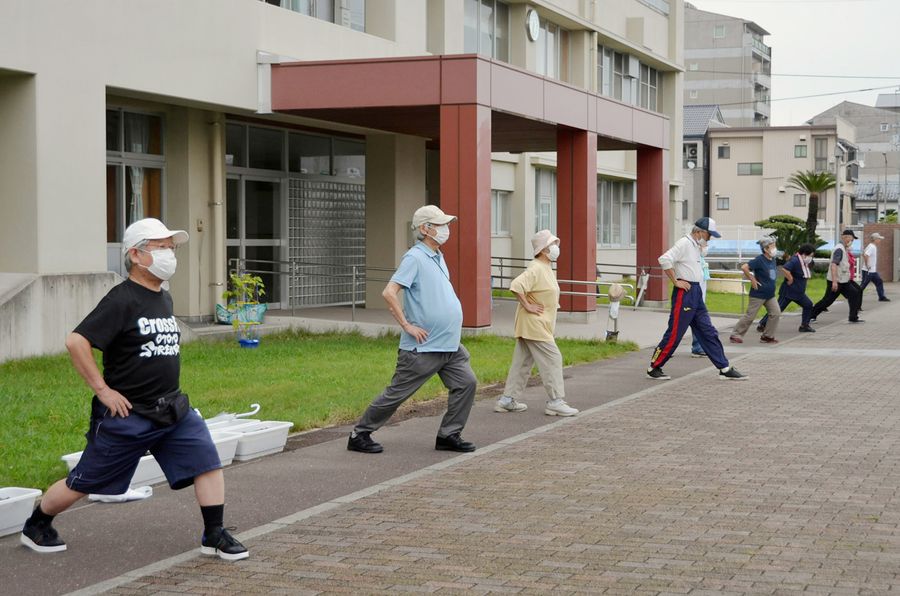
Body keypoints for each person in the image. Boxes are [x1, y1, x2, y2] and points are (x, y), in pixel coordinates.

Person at [20, 218, 248, 560]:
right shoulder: (121, 299)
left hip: (172, 409)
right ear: (137, 255)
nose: (170, 254)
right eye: (161, 247)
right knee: (84, 482)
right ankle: (37, 523)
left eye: (171, 247)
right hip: (127, 415)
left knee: (206, 461)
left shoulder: (163, 297)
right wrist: (103, 390)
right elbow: (76, 341)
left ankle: (213, 532)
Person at [347, 205, 477, 454]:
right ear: (425, 229)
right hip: (423, 346)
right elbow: (389, 292)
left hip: (449, 344)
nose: (446, 229)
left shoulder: (437, 256)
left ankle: (449, 435)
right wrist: (407, 325)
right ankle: (359, 434)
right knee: (397, 394)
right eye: (441, 225)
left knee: (467, 383)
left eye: (446, 225)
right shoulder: (415, 257)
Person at [646, 217, 746, 381]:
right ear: (699, 232)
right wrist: (675, 281)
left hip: (696, 293)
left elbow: (699, 258)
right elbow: (664, 259)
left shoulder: (695, 245)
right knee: (675, 333)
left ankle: (724, 367)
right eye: (709, 235)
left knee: (709, 332)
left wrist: (703, 245)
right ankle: (654, 366)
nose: (710, 239)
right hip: (684, 294)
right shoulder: (684, 243)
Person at [494, 230, 579, 417]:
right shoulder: (535, 268)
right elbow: (516, 286)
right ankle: (556, 401)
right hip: (534, 324)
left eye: (555, 244)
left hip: (533, 324)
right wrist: (528, 305)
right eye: (551, 245)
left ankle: (507, 400)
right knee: (553, 359)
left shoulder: (545, 267)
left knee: (522, 363)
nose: (556, 248)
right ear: (542, 250)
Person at [729, 237, 781, 344]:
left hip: (770, 295)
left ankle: (767, 336)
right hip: (758, 294)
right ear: (766, 249)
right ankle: (735, 334)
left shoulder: (773, 260)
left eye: (774, 245)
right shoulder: (759, 260)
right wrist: (752, 279)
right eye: (772, 246)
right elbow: (744, 267)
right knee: (750, 316)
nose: (774, 248)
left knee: (775, 313)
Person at [758, 243, 817, 333]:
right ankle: (762, 324)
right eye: (810, 256)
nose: (811, 258)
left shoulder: (804, 262)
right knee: (778, 309)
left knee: (808, 305)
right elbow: (785, 269)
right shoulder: (795, 260)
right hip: (788, 291)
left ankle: (804, 325)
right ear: (804, 254)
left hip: (799, 292)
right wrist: (790, 278)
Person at [811, 229, 863, 323]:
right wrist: (834, 281)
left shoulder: (843, 248)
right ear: (845, 237)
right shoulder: (839, 249)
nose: (852, 241)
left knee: (855, 293)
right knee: (827, 300)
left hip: (843, 280)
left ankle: (853, 317)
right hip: (836, 281)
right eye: (851, 239)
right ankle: (811, 315)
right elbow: (834, 265)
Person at [689, 243, 711, 357]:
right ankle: (665, 349)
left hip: (699, 299)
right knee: (679, 324)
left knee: (696, 321)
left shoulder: (701, 261)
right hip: (692, 298)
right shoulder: (692, 259)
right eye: (704, 245)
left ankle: (698, 347)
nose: (705, 247)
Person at [860, 232, 889, 304]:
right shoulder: (872, 247)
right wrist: (867, 265)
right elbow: (866, 255)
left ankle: (881, 297)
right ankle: (854, 297)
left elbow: (863, 254)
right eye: (879, 239)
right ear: (875, 239)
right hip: (868, 271)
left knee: (879, 281)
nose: (880, 240)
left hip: (872, 271)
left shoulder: (870, 246)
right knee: (863, 286)